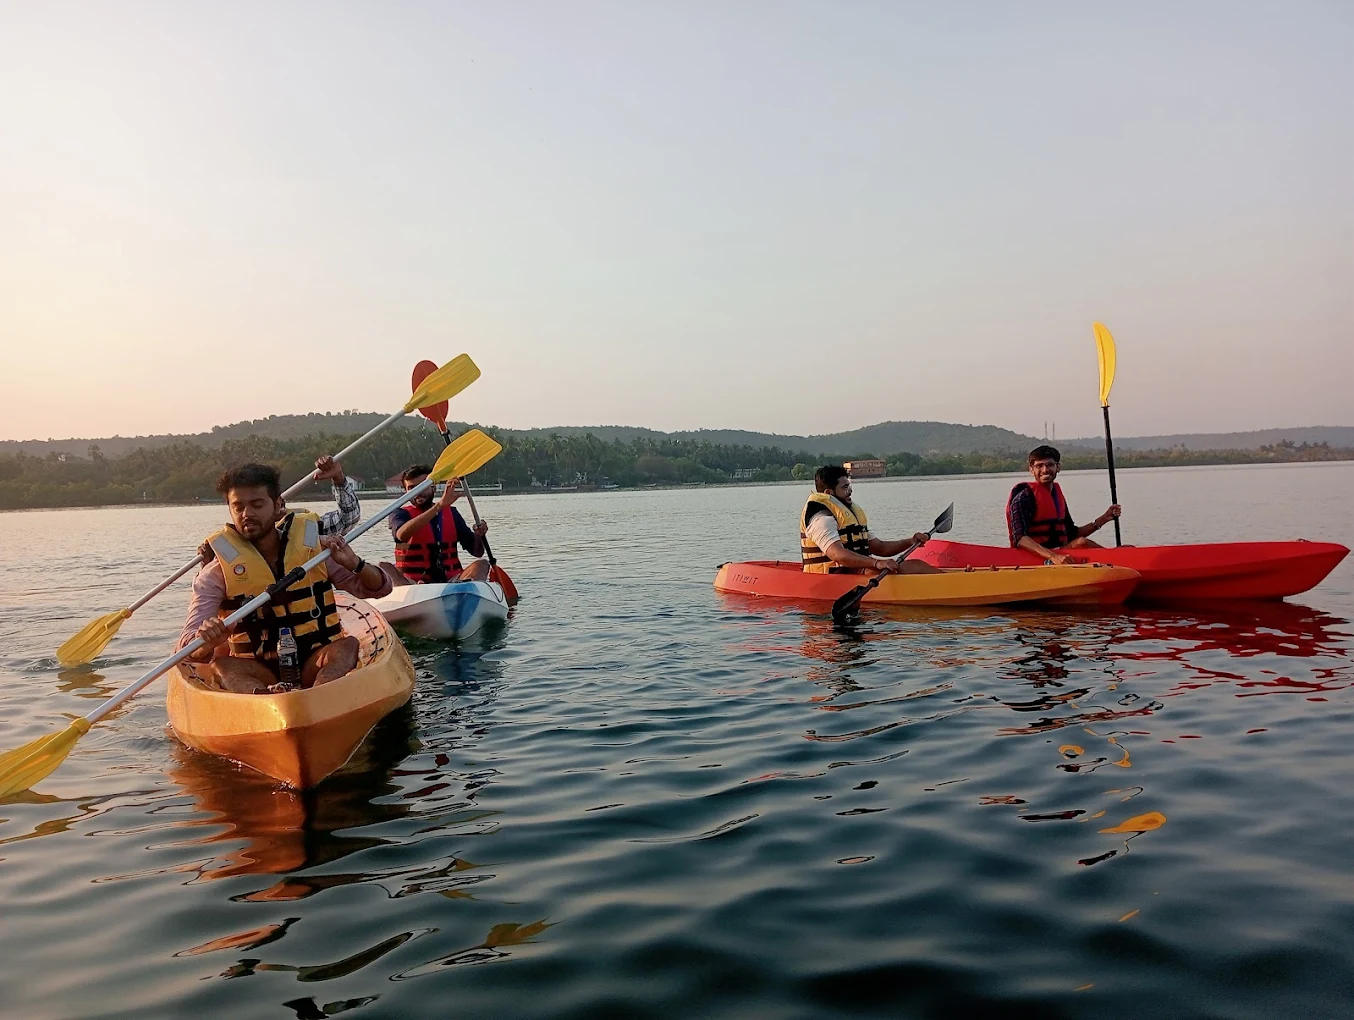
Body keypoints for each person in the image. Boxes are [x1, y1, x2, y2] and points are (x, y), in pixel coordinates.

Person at [178, 463, 393, 695]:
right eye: (238, 507)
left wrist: (356, 564)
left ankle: (321, 695)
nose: (247, 514)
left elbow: (380, 589)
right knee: (222, 665)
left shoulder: (314, 551)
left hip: (315, 659)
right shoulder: (215, 572)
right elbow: (188, 645)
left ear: (278, 505)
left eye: (257, 505)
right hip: (258, 668)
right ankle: (264, 701)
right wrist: (206, 642)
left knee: (346, 646)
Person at [800, 465, 940, 574]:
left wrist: (910, 541)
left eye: (849, 486)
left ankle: (947, 581)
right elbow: (837, 554)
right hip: (831, 577)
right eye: (845, 487)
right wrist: (876, 563)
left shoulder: (848, 514)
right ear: (829, 493)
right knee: (911, 568)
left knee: (916, 565)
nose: (850, 491)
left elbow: (880, 548)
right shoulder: (821, 517)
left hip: (855, 571)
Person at [1007, 445, 1122, 564]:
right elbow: (1020, 538)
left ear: (1058, 467)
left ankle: (1118, 558)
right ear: (1031, 470)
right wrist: (1053, 556)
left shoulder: (1056, 496)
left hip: (1059, 553)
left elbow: (1072, 534)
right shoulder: (1023, 498)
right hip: (1034, 558)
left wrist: (1103, 519)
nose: (1045, 470)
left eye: (1049, 465)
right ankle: (1116, 560)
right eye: (1039, 466)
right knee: (1081, 542)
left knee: (1081, 542)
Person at [387, 464, 491, 584]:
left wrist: (479, 535)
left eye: (422, 486)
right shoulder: (399, 514)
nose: (418, 492)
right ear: (406, 492)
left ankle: (463, 590)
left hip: (451, 581)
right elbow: (401, 535)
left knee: (482, 564)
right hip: (411, 583)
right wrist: (439, 506)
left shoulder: (452, 514)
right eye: (412, 488)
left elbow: (477, 552)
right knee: (383, 566)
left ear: (434, 488)